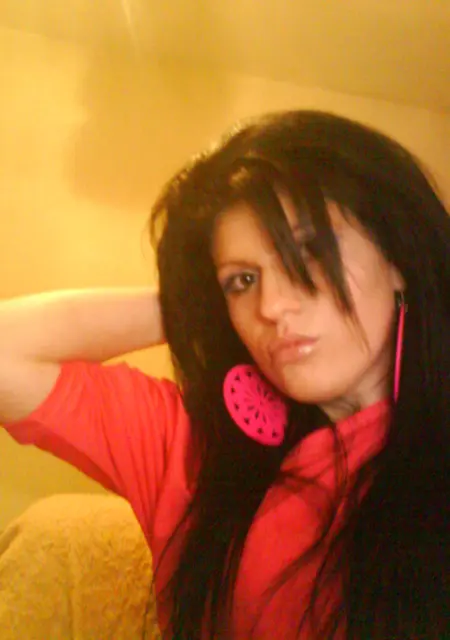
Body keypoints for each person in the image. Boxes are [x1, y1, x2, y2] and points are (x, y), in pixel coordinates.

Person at [0, 110, 448, 640]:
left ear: (397, 258)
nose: (272, 306)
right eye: (242, 281)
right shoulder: (190, 451)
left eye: (309, 251)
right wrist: (193, 305)